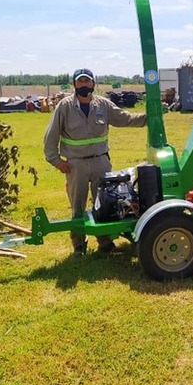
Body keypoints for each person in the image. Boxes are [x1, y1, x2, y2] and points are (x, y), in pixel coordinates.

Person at [43, 68, 146, 253]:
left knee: (105, 203)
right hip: (76, 165)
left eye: (87, 81)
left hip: (101, 162)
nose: (84, 85)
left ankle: (105, 244)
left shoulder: (103, 105)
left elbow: (125, 119)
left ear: (93, 84)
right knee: (77, 206)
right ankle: (79, 246)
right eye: (80, 81)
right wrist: (57, 161)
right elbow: (51, 137)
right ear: (74, 84)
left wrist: (151, 117)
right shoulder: (64, 107)